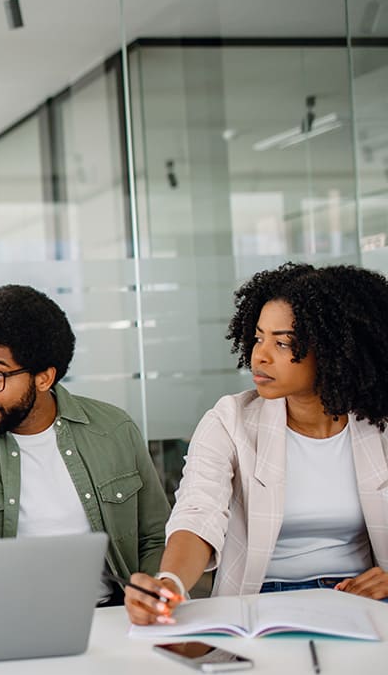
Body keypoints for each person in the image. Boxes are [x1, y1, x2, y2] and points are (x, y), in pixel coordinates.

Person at [126, 263, 388, 626]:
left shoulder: (379, 426)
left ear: (334, 352)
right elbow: (199, 513)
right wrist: (169, 583)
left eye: (282, 343)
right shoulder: (229, 421)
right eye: (258, 337)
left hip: (361, 602)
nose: (259, 356)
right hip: (261, 603)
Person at [0, 285, 168, 605]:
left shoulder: (115, 430)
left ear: (44, 378)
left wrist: (149, 594)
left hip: (113, 616)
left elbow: (155, 537)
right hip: (6, 620)